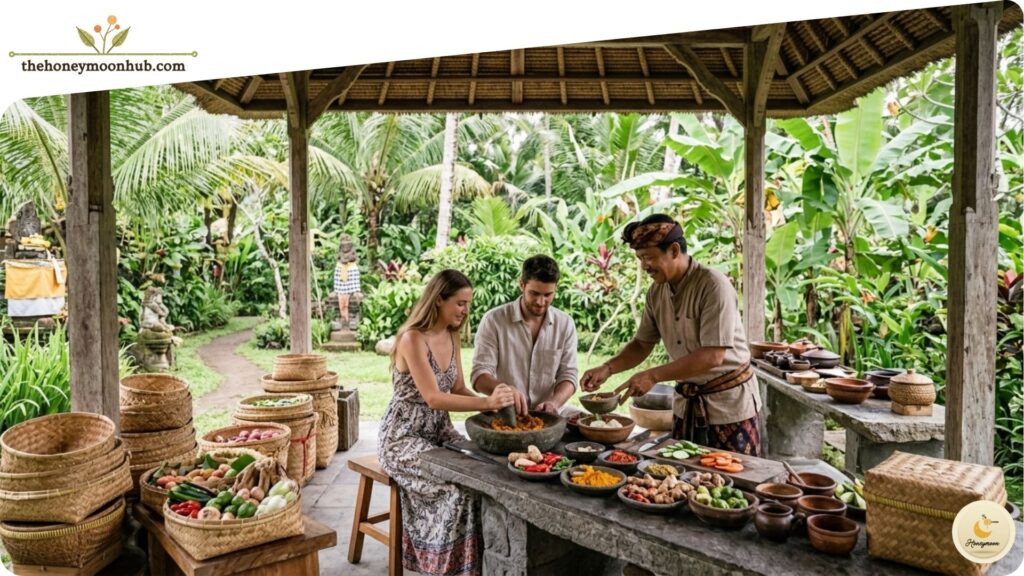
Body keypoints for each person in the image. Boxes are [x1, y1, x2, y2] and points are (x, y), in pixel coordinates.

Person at [580, 214, 762, 456]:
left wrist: (653, 375)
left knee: (733, 483)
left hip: (729, 406)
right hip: (687, 405)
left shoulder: (713, 286)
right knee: (683, 482)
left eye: (650, 257)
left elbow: (713, 356)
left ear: (674, 250)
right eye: (640, 259)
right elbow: (642, 343)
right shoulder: (656, 292)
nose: (644, 266)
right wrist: (608, 368)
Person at [377, 269, 515, 576]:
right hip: (402, 437)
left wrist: (495, 404)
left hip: (439, 432)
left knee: (486, 471)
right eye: (460, 303)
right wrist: (485, 403)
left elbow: (457, 390)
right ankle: (450, 568)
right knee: (458, 491)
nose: (465, 310)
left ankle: (483, 563)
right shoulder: (413, 339)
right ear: (438, 300)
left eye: (467, 304)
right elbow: (434, 397)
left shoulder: (452, 335)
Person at [471, 255, 578, 415]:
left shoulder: (565, 323)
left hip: (551, 413)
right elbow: (479, 376)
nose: (541, 302)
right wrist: (506, 390)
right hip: (507, 414)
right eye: (534, 293)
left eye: (548, 295)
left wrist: (554, 403)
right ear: (521, 284)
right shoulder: (494, 320)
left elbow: (568, 375)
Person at [333, 234, 362, 329]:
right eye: (343, 245)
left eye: (347, 245)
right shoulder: (340, 253)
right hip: (341, 273)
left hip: (351, 269)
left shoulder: (352, 253)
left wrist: (347, 259)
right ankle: (342, 318)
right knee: (339, 298)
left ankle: (355, 290)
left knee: (355, 297)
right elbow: (340, 258)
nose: (345, 248)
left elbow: (352, 258)